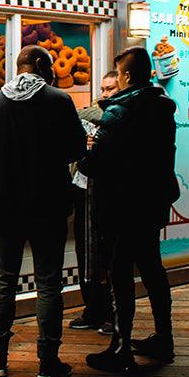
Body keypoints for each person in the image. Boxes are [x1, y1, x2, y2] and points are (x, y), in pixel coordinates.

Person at [0, 45, 86, 377]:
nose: (50, 73)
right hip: (47, 205)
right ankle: (47, 363)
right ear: (38, 65)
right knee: (48, 282)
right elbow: (76, 148)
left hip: (3, 208)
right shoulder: (59, 101)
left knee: (3, 280)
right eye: (47, 66)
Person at [79, 46, 179, 374]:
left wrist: (85, 152)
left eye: (119, 74)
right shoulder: (163, 107)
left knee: (120, 273)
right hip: (153, 202)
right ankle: (165, 339)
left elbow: (94, 165)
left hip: (121, 204)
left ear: (128, 76)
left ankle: (121, 348)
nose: (117, 81)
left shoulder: (120, 110)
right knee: (152, 269)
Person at [68, 71, 119, 335]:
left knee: (106, 253)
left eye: (111, 88)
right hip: (83, 188)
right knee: (85, 253)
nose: (105, 93)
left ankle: (112, 312)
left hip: (106, 192)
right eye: (103, 88)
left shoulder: (120, 118)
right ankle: (92, 309)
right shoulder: (89, 114)